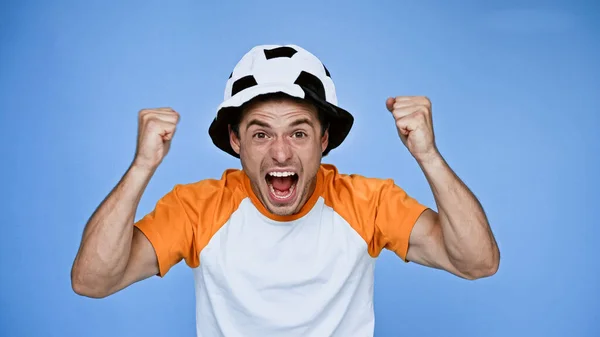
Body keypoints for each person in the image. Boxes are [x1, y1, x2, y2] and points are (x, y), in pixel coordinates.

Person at [71, 44, 500, 336]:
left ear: (324, 140)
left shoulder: (368, 203)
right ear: (235, 142)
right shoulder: (197, 209)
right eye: (261, 135)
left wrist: (428, 156)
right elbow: (92, 281)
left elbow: (477, 262)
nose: (280, 154)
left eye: (298, 133)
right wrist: (143, 166)